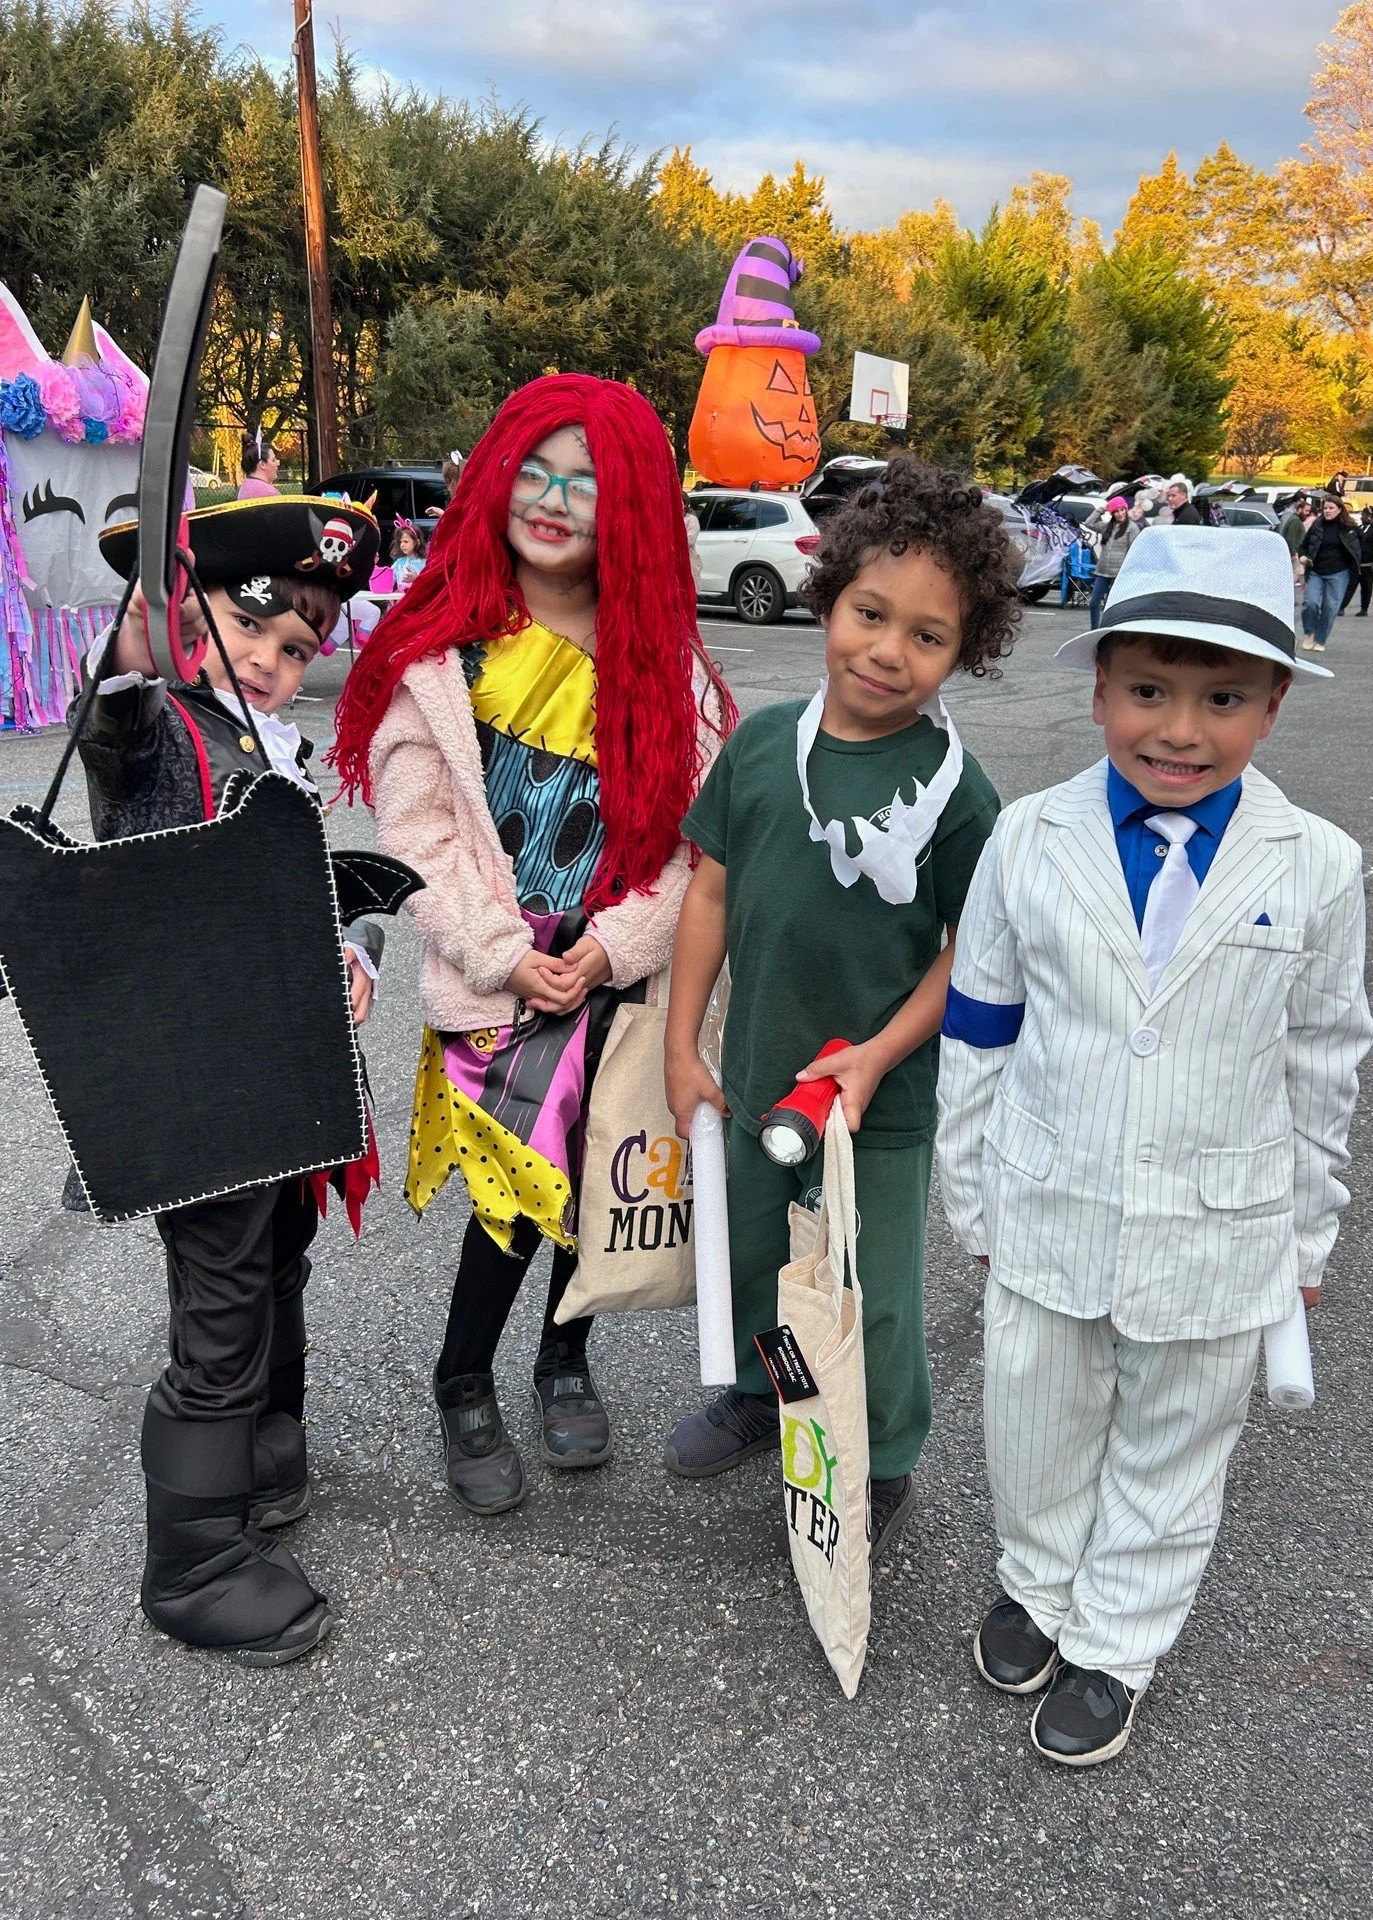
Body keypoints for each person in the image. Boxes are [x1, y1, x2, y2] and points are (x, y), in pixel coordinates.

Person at [939, 525, 1372, 1765]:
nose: (1179, 732)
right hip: (1049, 1193)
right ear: (1099, 690)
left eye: (1222, 700)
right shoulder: (1030, 837)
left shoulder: (1319, 865)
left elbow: (1323, 1060)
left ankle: (1118, 1639)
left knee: (1176, 1441)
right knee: (1035, 1416)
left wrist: (1307, 1237)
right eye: (1147, 691)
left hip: (1221, 1223)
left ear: (1273, 706)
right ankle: (1038, 1582)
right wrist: (974, 1199)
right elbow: (981, 1027)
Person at [331, 374, 733, 1515]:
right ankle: (463, 1378)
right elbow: (416, 830)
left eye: (586, 484)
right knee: (513, 1193)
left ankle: (565, 1358)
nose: (553, 502)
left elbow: (698, 849)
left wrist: (614, 947)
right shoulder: (444, 653)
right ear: (496, 480)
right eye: (536, 474)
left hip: (613, 975)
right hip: (499, 974)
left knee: (597, 1178)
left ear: (632, 508)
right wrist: (505, 953)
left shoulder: (670, 670)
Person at [661, 458, 1014, 1560]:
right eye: (870, 613)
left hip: (879, 1103)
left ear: (964, 650)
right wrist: (682, 1044)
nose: (888, 650)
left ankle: (883, 1451)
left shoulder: (959, 793)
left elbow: (969, 952)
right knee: (759, 1256)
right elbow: (709, 893)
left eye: (927, 635)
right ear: (829, 599)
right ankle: (768, 1396)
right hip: (759, 1071)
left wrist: (878, 1054)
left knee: (874, 1290)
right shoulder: (765, 744)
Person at [78, 495, 384, 1665]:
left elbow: (304, 885)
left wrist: (355, 947)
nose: (269, 660)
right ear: (189, 614)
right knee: (218, 1309)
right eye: (248, 626)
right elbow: (114, 728)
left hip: (277, 1082)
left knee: (274, 1260)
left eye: (297, 646)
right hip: (198, 1090)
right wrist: (135, 650)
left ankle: (265, 1442)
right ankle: (193, 1562)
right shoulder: (167, 730)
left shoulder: (267, 748)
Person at [1299, 492, 1360, 651]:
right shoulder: (1317, 525)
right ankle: (1310, 633)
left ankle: (1320, 640)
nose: (1327, 511)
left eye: (1331, 508)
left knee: (1330, 607)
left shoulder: (1349, 527)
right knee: (1310, 603)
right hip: (1316, 571)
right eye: (1325, 508)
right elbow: (1303, 545)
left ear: (1339, 510)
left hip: (1338, 573)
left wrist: (1359, 564)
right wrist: (1302, 556)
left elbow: (1361, 546)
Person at [1084, 497, 1141, 628]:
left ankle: (1109, 630)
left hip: (1118, 574)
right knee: (1094, 603)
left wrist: (1129, 571)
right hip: (1102, 572)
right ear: (1112, 513)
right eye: (1116, 511)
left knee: (1111, 606)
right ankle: (1094, 629)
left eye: (1122, 510)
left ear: (1126, 509)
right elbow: (1089, 523)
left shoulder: (1132, 528)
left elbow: (1134, 551)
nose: (1120, 513)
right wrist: (1102, 509)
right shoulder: (1106, 527)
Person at [1345, 504, 1373, 616]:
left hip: (1369, 564)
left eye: (1363, 516)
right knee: (1350, 585)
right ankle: (1341, 607)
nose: (1361, 518)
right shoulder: (1361, 528)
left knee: (1366, 587)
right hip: (1357, 563)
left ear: (1369, 517)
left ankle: (1364, 609)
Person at [236, 432, 281, 499]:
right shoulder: (269, 493)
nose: (278, 463)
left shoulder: (245, 486)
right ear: (262, 464)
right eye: (273, 460)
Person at [390, 518, 426, 592]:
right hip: (401, 598)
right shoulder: (399, 563)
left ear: (416, 542)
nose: (402, 545)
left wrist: (417, 578)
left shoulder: (425, 563)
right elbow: (388, 581)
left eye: (406, 541)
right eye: (400, 542)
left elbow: (431, 585)